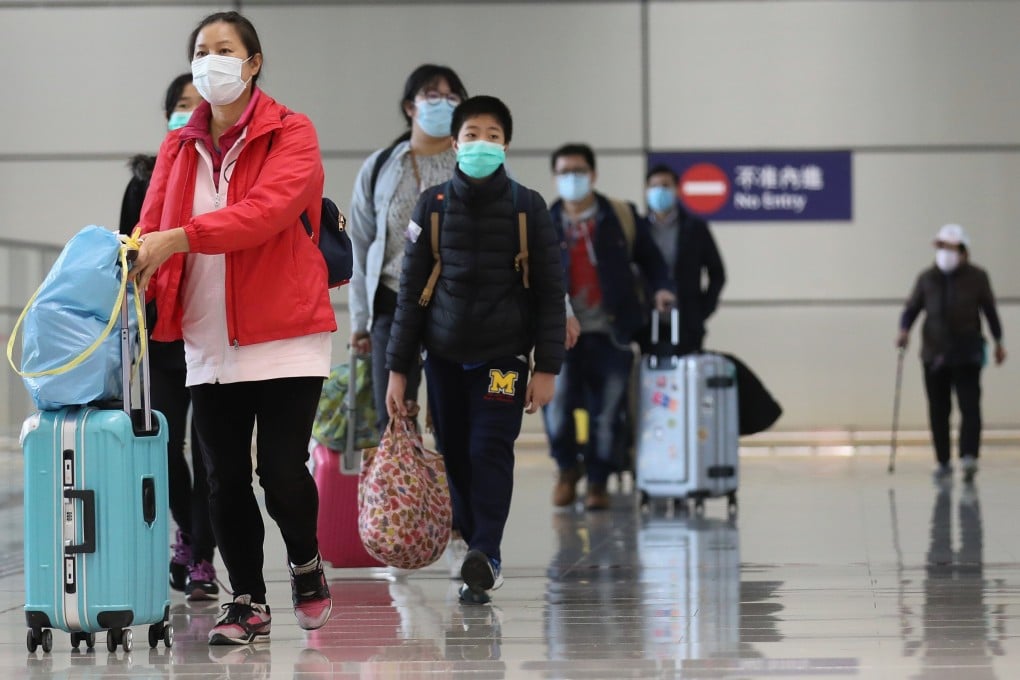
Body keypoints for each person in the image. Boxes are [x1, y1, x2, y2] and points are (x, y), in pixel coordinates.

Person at [131, 11, 335, 645]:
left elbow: (264, 214)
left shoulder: (292, 133)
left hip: (286, 334)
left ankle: (304, 562)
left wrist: (180, 238)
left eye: (224, 49)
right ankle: (246, 599)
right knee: (222, 476)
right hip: (207, 334)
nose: (210, 60)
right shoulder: (178, 146)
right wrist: (138, 268)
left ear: (252, 63)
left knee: (279, 470)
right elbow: (152, 222)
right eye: (201, 50)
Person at [384, 96, 566, 604]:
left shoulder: (528, 207)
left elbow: (551, 293)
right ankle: (472, 548)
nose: (480, 143)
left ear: (505, 144)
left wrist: (547, 366)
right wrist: (398, 370)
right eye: (471, 134)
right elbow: (410, 295)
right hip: (442, 358)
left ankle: (486, 553)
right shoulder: (433, 206)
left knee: (490, 450)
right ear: (455, 143)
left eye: (491, 135)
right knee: (456, 456)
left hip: (503, 359)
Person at [119, 72, 219, 602]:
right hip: (159, 334)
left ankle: (202, 554)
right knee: (161, 442)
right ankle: (190, 533)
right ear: (167, 117)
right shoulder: (142, 180)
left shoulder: (220, 175)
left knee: (212, 452)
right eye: (180, 105)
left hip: (209, 330)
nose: (189, 112)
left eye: (197, 104)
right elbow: (124, 254)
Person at [543, 143, 674, 511]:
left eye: (579, 171)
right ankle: (568, 469)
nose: (572, 179)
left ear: (594, 175)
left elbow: (653, 261)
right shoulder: (544, 221)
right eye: (565, 172)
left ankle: (598, 480)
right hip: (561, 334)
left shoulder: (620, 216)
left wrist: (663, 288)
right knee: (558, 404)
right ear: (555, 177)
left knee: (609, 411)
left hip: (612, 331)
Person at [348, 64, 468, 434]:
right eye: (432, 95)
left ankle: (451, 493)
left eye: (452, 97)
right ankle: (405, 493)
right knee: (394, 417)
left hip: (459, 309)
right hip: (392, 304)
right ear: (409, 107)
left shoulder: (473, 163)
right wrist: (359, 320)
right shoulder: (383, 165)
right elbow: (360, 243)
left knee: (455, 421)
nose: (442, 104)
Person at [897, 224, 1006, 483]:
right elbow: (912, 308)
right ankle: (943, 460)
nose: (944, 252)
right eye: (941, 247)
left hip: (967, 353)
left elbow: (990, 311)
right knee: (938, 409)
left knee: (969, 406)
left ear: (964, 251)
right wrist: (904, 330)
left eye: (950, 247)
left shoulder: (978, 277)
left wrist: (999, 341)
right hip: (934, 354)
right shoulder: (927, 278)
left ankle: (969, 456)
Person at [644, 164, 726, 356]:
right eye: (654, 186)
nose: (660, 191)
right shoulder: (639, 229)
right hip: (646, 321)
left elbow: (717, 273)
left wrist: (703, 310)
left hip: (687, 320)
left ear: (676, 190)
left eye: (665, 186)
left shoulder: (695, 228)